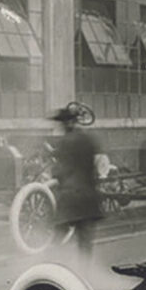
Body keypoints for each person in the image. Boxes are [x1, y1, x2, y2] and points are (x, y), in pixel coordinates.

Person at [50, 106, 102, 268]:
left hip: (70, 196)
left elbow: (58, 172)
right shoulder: (88, 139)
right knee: (85, 241)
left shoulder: (64, 142)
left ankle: (53, 271)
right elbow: (93, 167)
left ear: (68, 123)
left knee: (58, 237)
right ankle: (85, 275)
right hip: (88, 196)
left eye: (63, 123)